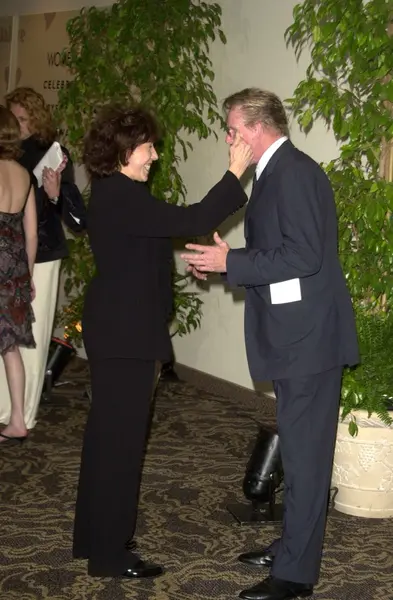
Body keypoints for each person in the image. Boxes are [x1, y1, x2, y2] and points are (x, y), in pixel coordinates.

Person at [181, 88, 359, 600]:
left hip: (308, 343)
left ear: (258, 127)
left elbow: (304, 256)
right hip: (295, 338)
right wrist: (232, 257)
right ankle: (290, 550)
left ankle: (295, 576)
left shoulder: (296, 172)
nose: (229, 139)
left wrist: (231, 263)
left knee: (305, 462)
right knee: (300, 458)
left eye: (233, 130)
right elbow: (283, 253)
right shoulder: (277, 173)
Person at [73, 105, 253, 579]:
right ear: (125, 151)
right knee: (121, 443)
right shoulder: (123, 196)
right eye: (149, 147)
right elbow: (196, 218)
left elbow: (150, 242)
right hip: (126, 332)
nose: (155, 155)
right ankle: (110, 555)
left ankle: (94, 537)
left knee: (106, 437)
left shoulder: (117, 194)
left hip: (118, 326)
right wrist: (236, 170)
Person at [0, 87, 86, 431]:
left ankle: (25, 413)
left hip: (41, 254)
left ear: (36, 119)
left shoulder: (52, 152)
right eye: (13, 118)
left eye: (24, 118)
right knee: (9, 340)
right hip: (17, 255)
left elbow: (72, 213)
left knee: (28, 338)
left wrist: (54, 195)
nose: (19, 125)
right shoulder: (12, 155)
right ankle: (7, 409)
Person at [0, 106, 37, 444]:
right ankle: (17, 421)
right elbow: (32, 234)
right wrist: (28, 276)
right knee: (10, 347)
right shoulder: (25, 174)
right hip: (15, 269)